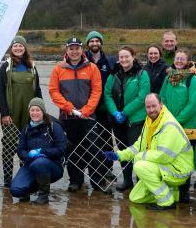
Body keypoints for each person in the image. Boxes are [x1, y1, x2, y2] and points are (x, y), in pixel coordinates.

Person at [107, 93, 194, 210]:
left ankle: (166, 202)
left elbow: (164, 156)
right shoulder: (149, 121)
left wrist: (139, 157)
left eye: (154, 106)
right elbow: (138, 145)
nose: (151, 110)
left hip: (178, 169)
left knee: (139, 165)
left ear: (161, 105)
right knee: (135, 197)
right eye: (148, 107)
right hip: (165, 166)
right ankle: (174, 194)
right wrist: (119, 155)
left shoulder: (169, 124)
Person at [49, 36, 103, 192]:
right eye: (71, 48)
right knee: (72, 150)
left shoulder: (92, 68)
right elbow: (53, 91)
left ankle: (97, 181)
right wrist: (68, 107)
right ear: (67, 50)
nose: (74, 51)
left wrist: (87, 110)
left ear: (81, 49)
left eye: (77, 48)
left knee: (93, 148)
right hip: (68, 117)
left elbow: (96, 90)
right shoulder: (58, 69)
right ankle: (75, 181)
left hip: (88, 117)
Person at [0, 36, 42, 186]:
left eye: (21, 46)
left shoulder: (32, 66)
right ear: (11, 49)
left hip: (29, 114)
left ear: (25, 48)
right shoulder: (6, 66)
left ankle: (25, 175)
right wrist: (4, 113)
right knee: (9, 145)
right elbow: (0, 91)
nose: (18, 48)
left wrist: (41, 112)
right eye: (15, 46)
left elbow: (38, 90)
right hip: (11, 113)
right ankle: (8, 179)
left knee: (28, 145)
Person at [159, 49, 196, 201]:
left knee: (185, 159)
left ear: (188, 61)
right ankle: (172, 187)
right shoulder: (168, 77)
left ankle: (184, 192)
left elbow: (193, 105)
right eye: (177, 58)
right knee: (170, 157)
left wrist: (176, 120)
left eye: (182, 59)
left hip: (187, 127)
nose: (178, 61)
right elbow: (162, 97)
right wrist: (167, 118)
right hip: (169, 125)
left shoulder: (194, 80)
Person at [104, 46, 150, 192]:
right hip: (118, 120)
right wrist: (115, 112)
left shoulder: (142, 74)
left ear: (133, 57)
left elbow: (143, 97)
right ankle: (127, 179)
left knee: (136, 150)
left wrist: (125, 112)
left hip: (136, 119)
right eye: (121, 57)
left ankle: (141, 180)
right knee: (123, 150)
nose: (124, 59)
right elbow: (107, 95)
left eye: (127, 56)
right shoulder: (114, 74)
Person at [10, 98, 66, 204]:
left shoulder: (54, 127)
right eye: (32, 110)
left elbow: (61, 149)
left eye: (37, 110)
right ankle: (30, 188)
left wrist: (42, 152)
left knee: (39, 163)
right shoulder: (26, 129)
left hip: (52, 166)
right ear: (29, 111)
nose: (34, 113)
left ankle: (43, 196)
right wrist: (29, 156)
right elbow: (20, 150)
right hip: (30, 164)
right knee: (16, 191)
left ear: (43, 111)